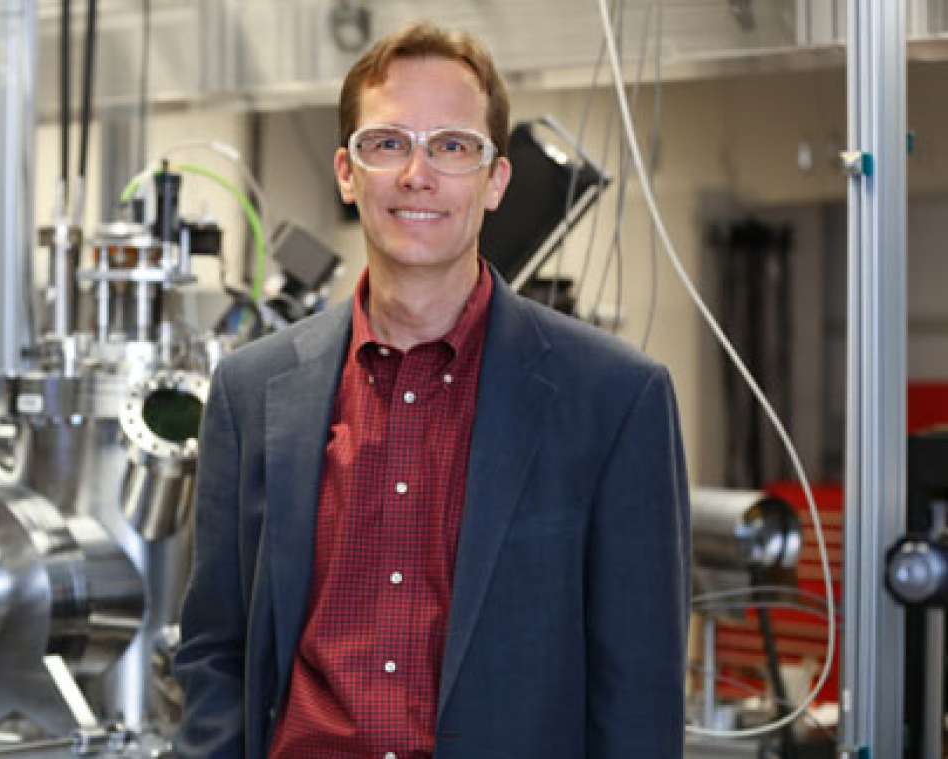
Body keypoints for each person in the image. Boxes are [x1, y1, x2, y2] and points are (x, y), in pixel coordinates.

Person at [174, 21, 690, 759]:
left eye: (453, 146)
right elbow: (216, 653)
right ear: (347, 174)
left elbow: (638, 692)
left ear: (496, 180)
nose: (418, 173)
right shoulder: (249, 393)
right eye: (387, 144)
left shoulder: (613, 399)